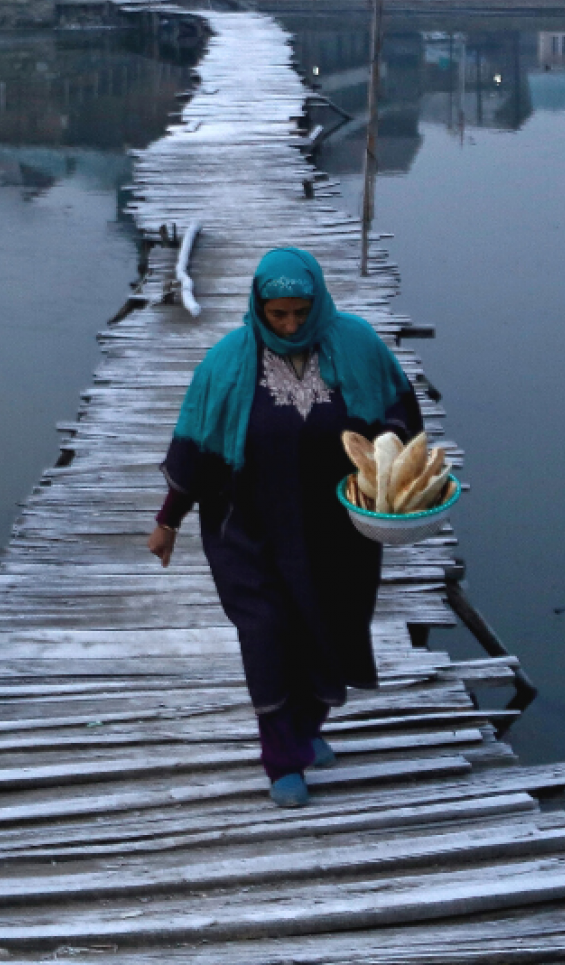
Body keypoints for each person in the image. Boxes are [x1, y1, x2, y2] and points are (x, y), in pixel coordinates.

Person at [148, 247, 423, 807]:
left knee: (330, 626)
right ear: (259, 308)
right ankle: (282, 759)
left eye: (301, 312)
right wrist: (168, 521)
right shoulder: (226, 365)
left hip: (339, 528)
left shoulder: (356, 345)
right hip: (248, 530)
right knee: (269, 633)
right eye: (279, 315)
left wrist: (391, 458)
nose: (291, 325)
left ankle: (306, 726)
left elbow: (400, 410)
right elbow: (196, 449)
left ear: (318, 301)